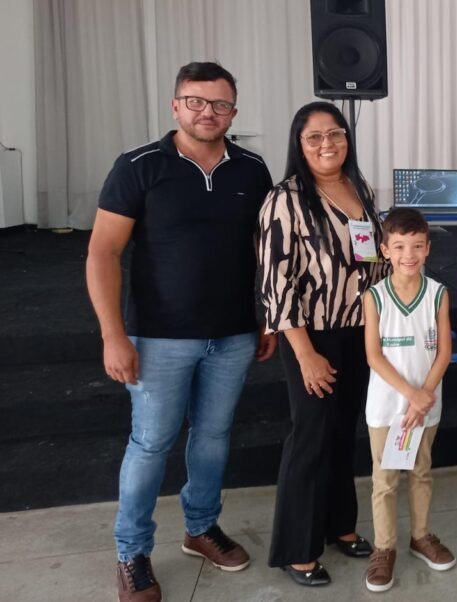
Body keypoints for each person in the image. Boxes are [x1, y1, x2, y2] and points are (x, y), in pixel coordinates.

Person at [87, 61, 275, 602]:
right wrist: (113, 335)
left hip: (233, 336)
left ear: (233, 112)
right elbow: (103, 252)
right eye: (196, 101)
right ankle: (131, 553)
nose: (207, 112)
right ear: (176, 106)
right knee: (150, 444)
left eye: (219, 104)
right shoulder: (139, 166)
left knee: (213, 438)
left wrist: (267, 315)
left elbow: (265, 250)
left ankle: (200, 528)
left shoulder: (251, 169)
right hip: (157, 339)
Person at [259, 101, 388, 586]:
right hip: (311, 335)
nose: (326, 144)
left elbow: (374, 260)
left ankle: (340, 525)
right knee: (311, 436)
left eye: (335, 134)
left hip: (360, 331)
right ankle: (297, 549)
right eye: (314, 137)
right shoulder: (286, 199)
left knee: (341, 432)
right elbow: (276, 283)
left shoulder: (360, 188)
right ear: (299, 144)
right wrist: (305, 353)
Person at [361, 208, 455, 592]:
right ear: (384, 250)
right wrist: (410, 394)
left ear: (428, 248)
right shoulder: (374, 297)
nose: (408, 255)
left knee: (421, 472)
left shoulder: (438, 294)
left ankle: (421, 536)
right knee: (384, 481)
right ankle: (384, 548)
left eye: (417, 246)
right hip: (387, 408)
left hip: (426, 406)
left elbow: (444, 352)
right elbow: (373, 356)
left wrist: (423, 395)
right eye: (399, 247)